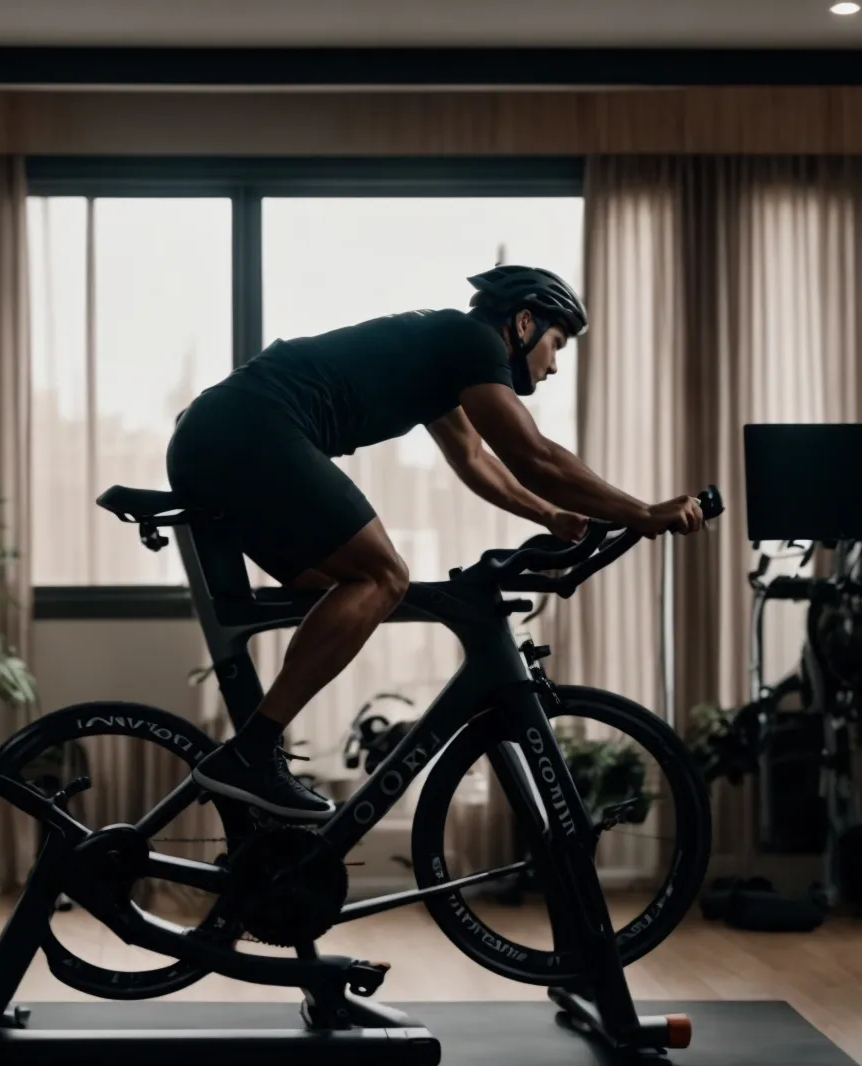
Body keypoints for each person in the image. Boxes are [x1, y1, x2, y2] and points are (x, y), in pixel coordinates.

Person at [165, 265, 707, 820]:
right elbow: (533, 456)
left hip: (216, 437)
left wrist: (552, 517)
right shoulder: (472, 341)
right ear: (524, 323)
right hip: (248, 430)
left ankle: (260, 791)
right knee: (384, 577)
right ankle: (253, 752)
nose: (554, 365)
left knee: (344, 592)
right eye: (557, 343)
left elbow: (475, 460)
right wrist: (642, 511)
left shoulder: (444, 356)